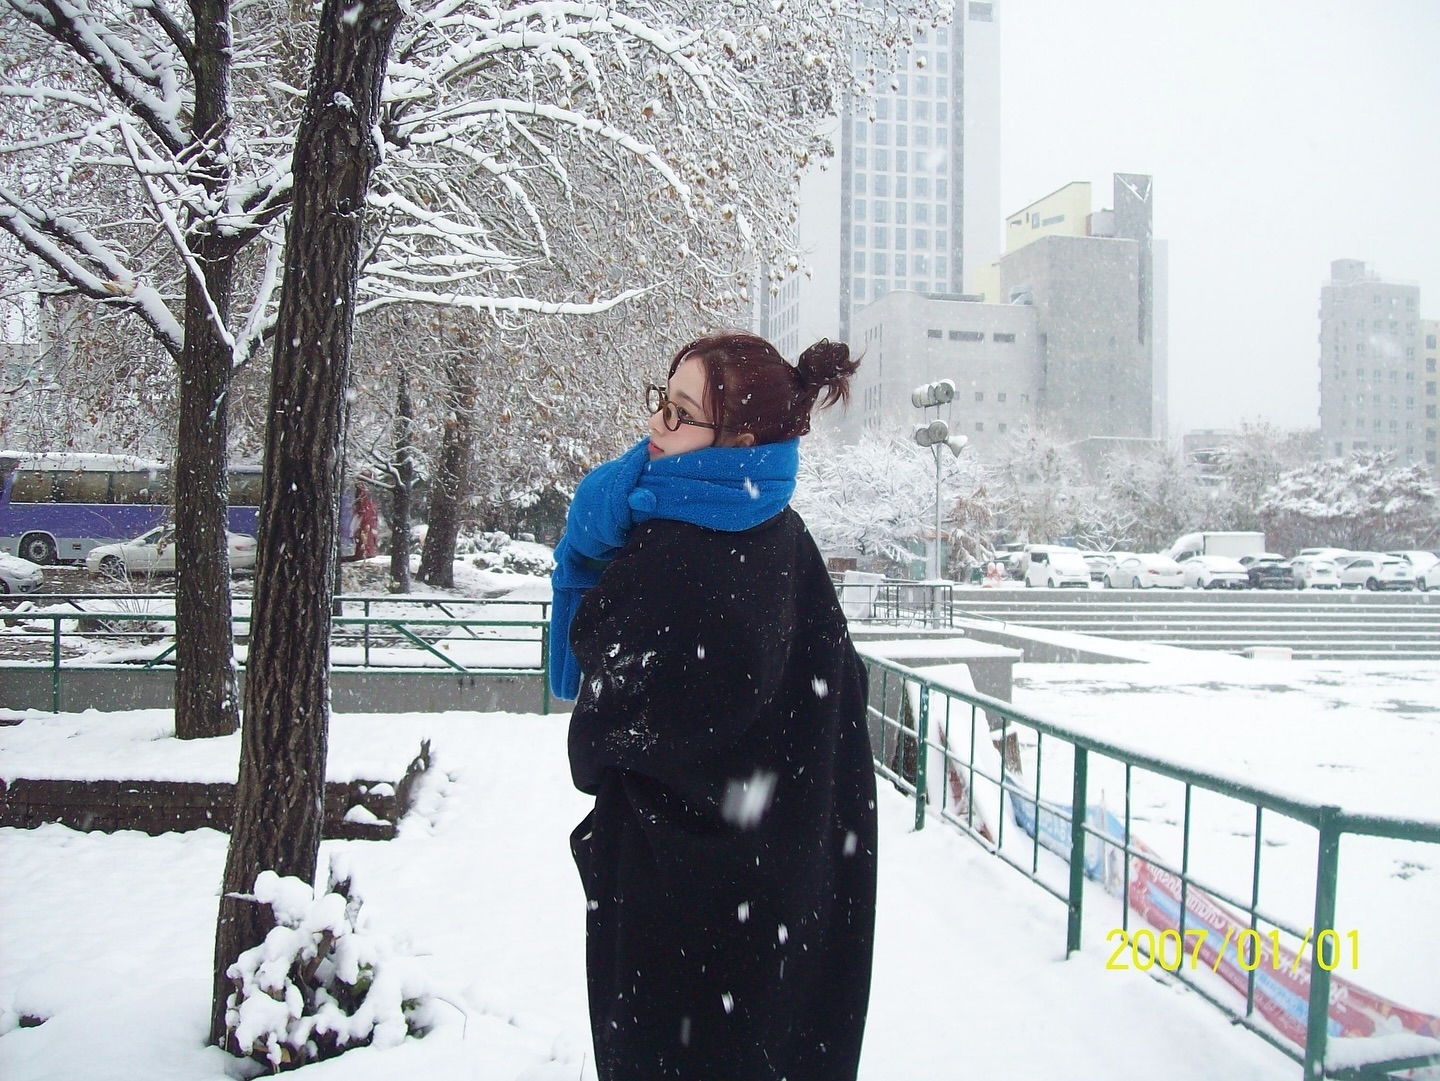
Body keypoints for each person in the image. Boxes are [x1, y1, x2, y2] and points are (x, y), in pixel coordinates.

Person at [549, 332, 878, 1081]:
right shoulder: (783, 532)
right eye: (661, 402)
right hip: (783, 922)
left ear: (740, 438)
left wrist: (587, 547)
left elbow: (598, 733)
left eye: (682, 412)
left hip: (683, 940)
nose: (656, 428)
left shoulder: (673, 552)